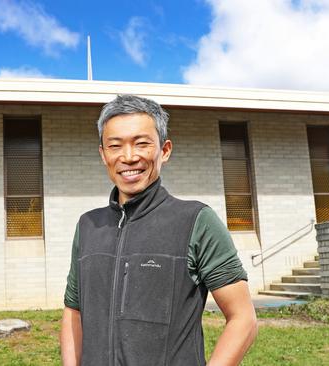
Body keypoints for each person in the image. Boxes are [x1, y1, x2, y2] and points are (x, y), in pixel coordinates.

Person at [60, 95, 257, 366]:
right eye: (115, 146)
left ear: (164, 150)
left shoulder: (196, 221)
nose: (129, 157)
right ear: (103, 154)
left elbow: (243, 318)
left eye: (141, 143)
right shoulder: (88, 226)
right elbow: (74, 310)